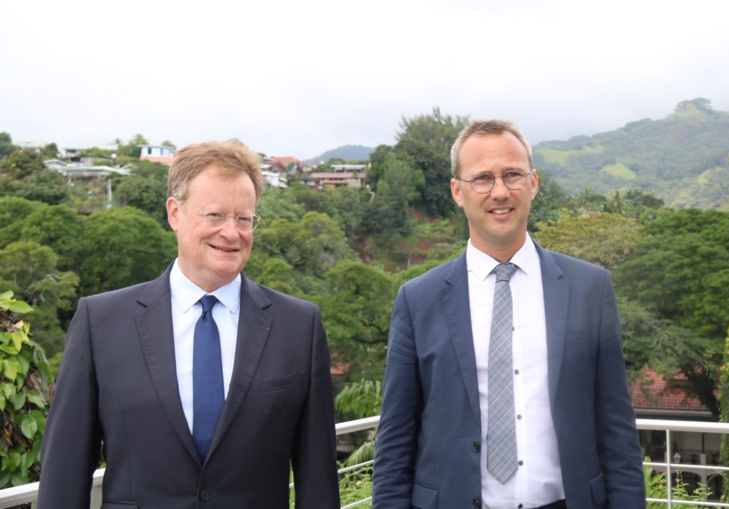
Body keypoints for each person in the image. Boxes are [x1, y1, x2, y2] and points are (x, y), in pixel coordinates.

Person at [38, 140, 340, 509]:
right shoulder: (100, 322)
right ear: (175, 213)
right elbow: (64, 473)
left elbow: (318, 481)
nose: (231, 232)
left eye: (244, 218)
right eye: (214, 215)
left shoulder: (299, 326)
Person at [372, 120, 645, 509]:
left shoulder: (589, 287)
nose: (500, 191)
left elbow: (617, 428)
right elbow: (395, 440)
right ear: (457, 191)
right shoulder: (418, 300)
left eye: (512, 175)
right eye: (482, 178)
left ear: (533, 183)